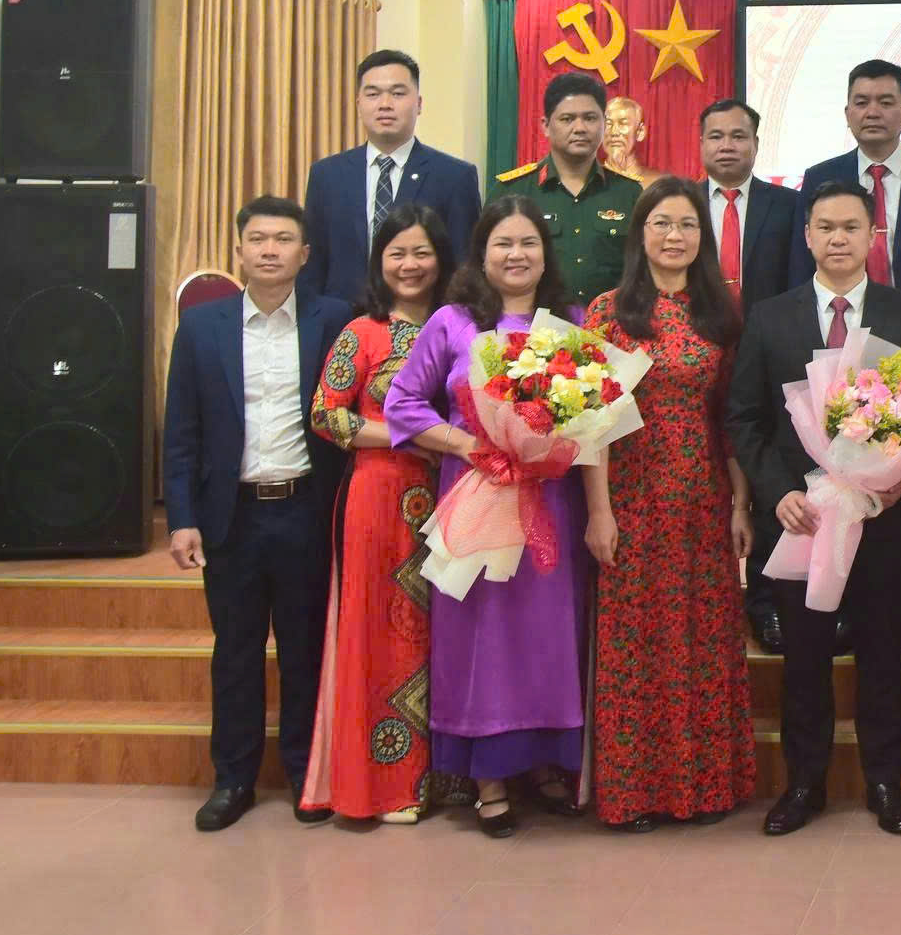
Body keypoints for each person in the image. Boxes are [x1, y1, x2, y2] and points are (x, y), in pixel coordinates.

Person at [731, 180, 901, 837]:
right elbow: (746, 419)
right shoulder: (770, 317)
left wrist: (899, 484)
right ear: (808, 236)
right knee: (805, 657)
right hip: (803, 520)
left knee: (882, 654)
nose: (839, 238)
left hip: (882, 519)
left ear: (873, 235)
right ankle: (804, 783)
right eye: (826, 227)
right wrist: (780, 494)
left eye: (852, 226)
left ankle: (886, 782)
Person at [383, 197, 587, 836]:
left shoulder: (570, 323)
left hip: (549, 502)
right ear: (481, 253)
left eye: (529, 243)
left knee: (548, 635)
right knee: (483, 635)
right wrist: (470, 443)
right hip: (477, 497)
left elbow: (594, 415)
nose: (516, 255)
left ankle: (546, 764)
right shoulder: (452, 323)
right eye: (503, 243)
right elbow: (403, 403)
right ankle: (488, 780)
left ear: (545, 255)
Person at [162, 195, 354, 832]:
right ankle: (233, 780)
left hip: (306, 510)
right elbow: (181, 432)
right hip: (232, 516)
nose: (270, 250)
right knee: (236, 653)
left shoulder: (334, 319)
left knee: (305, 650)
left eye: (283, 239)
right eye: (258, 239)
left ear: (305, 252)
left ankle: (305, 774)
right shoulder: (202, 328)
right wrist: (182, 518)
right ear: (240, 249)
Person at [580, 177, 756, 831]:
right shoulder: (608, 312)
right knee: (636, 645)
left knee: (702, 643)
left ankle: (704, 789)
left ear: (702, 237)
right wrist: (599, 511)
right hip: (631, 496)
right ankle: (635, 793)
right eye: (661, 223)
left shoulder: (720, 313)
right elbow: (589, 420)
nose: (674, 236)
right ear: (641, 233)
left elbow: (730, 417)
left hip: (702, 500)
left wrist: (741, 503)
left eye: (686, 224)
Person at [791, 59, 901, 657]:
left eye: (886, 101)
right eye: (862, 101)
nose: (873, 111)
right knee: (838, 485)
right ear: (847, 112)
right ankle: (838, 606)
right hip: (836, 353)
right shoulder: (820, 177)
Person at [300, 205, 454, 825]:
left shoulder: (461, 327)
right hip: (380, 499)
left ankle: (450, 778)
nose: (410, 265)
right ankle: (384, 785)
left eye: (422, 252)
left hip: (456, 497)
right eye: (397, 253)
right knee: (379, 636)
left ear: (442, 259)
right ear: (379, 261)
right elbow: (325, 413)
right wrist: (406, 435)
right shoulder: (360, 332)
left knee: (449, 637)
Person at [699, 96, 803, 654]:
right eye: (716, 136)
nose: (727, 146)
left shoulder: (787, 206)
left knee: (767, 478)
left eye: (738, 136)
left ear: (757, 145)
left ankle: (765, 604)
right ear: (701, 144)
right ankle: (704, 604)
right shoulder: (681, 205)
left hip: (764, 357)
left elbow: (796, 284)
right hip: (694, 354)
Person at [300, 49, 481, 306]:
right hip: (341, 321)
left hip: (424, 320)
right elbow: (313, 265)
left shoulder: (455, 176)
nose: (385, 104)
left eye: (397, 93)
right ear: (358, 104)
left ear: (419, 104)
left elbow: (464, 266)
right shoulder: (326, 175)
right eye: (373, 94)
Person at [495, 71, 642, 303]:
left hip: (611, 323)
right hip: (531, 324)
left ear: (604, 124)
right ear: (545, 126)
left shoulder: (629, 193)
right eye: (567, 119)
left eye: (590, 118)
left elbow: (643, 272)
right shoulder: (512, 191)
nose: (580, 128)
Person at [602, 93, 655, 183]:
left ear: (640, 132)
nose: (614, 132)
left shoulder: (656, 183)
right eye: (608, 124)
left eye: (623, 124)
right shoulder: (585, 181)